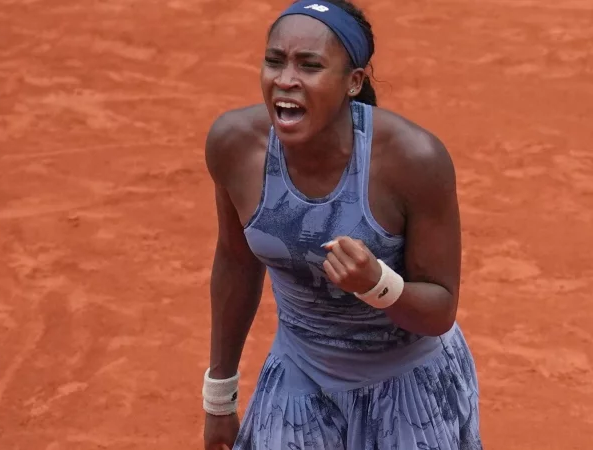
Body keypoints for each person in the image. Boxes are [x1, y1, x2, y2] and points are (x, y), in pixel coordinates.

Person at [201, 1, 483, 449]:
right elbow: (236, 263)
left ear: (353, 82)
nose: (285, 80)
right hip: (299, 383)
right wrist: (219, 400)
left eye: (310, 66)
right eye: (274, 61)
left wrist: (378, 285)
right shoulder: (235, 146)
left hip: (407, 389)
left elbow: (439, 311)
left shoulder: (414, 160)